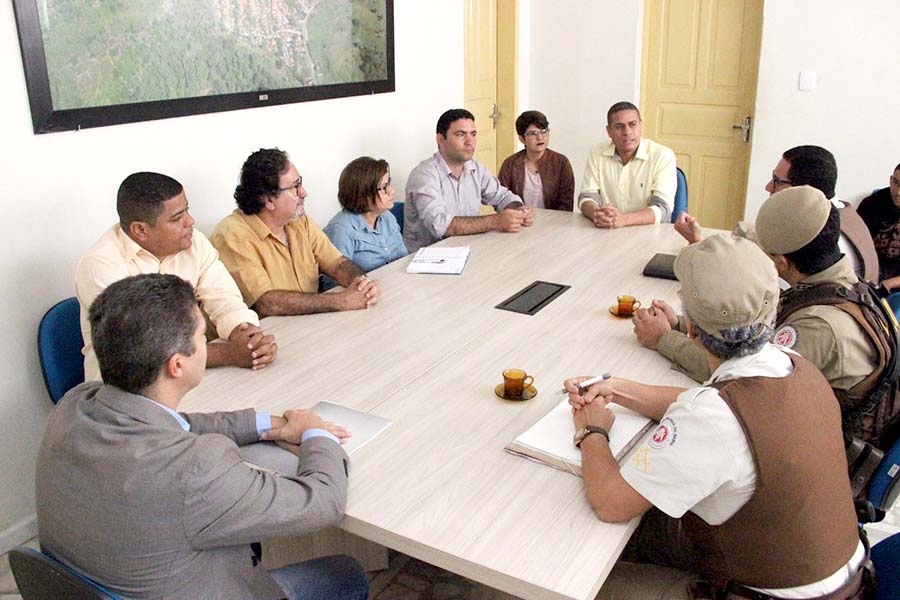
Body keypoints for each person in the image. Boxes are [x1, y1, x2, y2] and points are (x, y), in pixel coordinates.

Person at [566, 234, 869, 599]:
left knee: (585, 579)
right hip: (844, 581)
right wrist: (617, 388)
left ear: (690, 328)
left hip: (764, 592)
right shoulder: (795, 365)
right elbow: (715, 406)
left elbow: (611, 502)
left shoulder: (713, 418)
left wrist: (592, 430)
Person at [36, 273, 368, 600]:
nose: (210, 343)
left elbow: (177, 424)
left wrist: (271, 424)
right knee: (345, 573)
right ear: (177, 365)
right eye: (202, 336)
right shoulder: (196, 467)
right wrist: (316, 432)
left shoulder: (76, 403)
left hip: (109, 580)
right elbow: (324, 503)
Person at [637, 186, 894, 444]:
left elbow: (738, 378)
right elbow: (750, 337)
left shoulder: (819, 326)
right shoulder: (840, 284)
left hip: (816, 448)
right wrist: (684, 324)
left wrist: (663, 338)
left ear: (780, 263)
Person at [75, 172, 277, 382]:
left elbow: (224, 298)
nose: (190, 221)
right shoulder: (100, 265)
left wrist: (247, 336)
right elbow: (148, 345)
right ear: (140, 230)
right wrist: (230, 354)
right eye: (177, 218)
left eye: (187, 210)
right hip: (126, 393)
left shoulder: (193, 241)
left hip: (188, 377)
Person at [211, 148, 379, 316]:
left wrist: (361, 283)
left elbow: (337, 263)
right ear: (268, 199)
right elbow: (267, 303)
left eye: (300, 183)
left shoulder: (298, 220)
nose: (304, 193)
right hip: (271, 332)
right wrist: (341, 301)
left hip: (307, 321)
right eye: (295, 187)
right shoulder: (232, 234)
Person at [676, 145, 879, 282]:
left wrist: (696, 243)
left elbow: (740, 283)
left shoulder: (815, 237)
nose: (768, 187)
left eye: (777, 181)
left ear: (804, 190)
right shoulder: (842, 213)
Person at [403, 108, 537, 253]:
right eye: (461, 135)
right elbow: (439, 226)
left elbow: (502, 197)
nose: (470, 142)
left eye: (473, 134)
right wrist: (497, 221)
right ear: (441, 139)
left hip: (467, 250)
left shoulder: (476, 168)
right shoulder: (424, 175)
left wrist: (519, 209)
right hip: (428, 260)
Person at [578, 101, 676, 228]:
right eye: (619, 127)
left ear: (641, 126)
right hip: (607, 231)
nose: (627, 132)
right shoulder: (597, 152)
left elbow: (663, 209)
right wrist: (598, 214)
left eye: (633, 125)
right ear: (609, 131)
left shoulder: (662, 155)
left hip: (649, 232)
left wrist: (623, 220)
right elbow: (586, 197)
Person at [323, 156, 407, 277]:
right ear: (363, 193)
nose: (391, 191)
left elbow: (403, 259)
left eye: (388, 184)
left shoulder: (387, 216)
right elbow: (333, 282)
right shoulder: (341, 229)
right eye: (383, 187)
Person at [497, 110, 575, 211]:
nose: (540, 137)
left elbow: (566, 205)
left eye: (544, 131)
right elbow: (500, 199)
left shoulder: (561, 163)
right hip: (520, 221)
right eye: (533, 133)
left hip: (554, 221)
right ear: (522, 138)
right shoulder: (510, 164)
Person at [857, 161, 900, 289]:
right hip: (868, 272)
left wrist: (888, 284)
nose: (898, 192)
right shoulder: (872, 204)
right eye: (896, 183)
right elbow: (856, 246)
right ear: (891, 179)